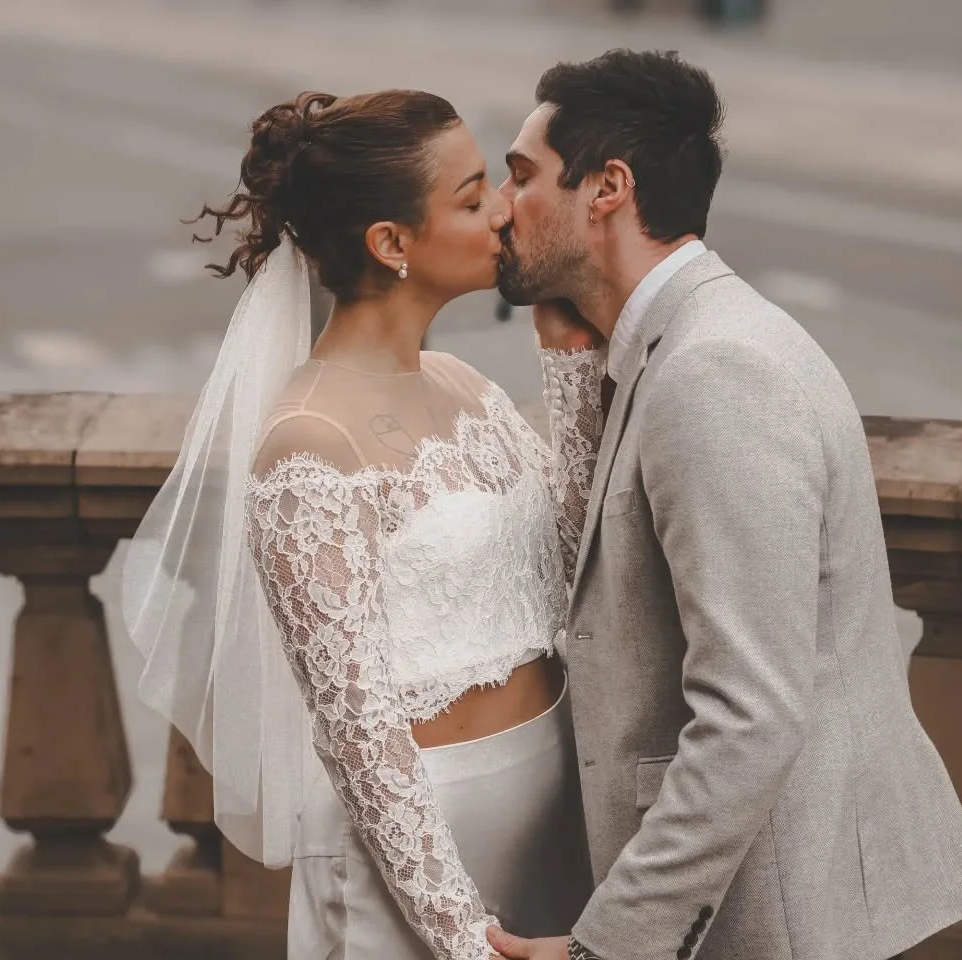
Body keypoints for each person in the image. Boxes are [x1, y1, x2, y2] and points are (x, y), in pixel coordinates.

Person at [484, 50, 962, 960]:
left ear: (607, 188)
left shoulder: (714, 373)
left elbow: (750, 715)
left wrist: (610, 947)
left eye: (521, 175)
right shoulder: (679, 342)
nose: (499, 205)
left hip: (772, 911)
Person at [122, 89, 602, 960]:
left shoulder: (466, 386)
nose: (504, 211)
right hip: (426, 848)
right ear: (391, 243)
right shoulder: (309, 442)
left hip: (552, 809)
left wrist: (567, 355)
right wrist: (463, 939)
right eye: (472, 199)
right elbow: (359, 731)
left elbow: (575, 568)